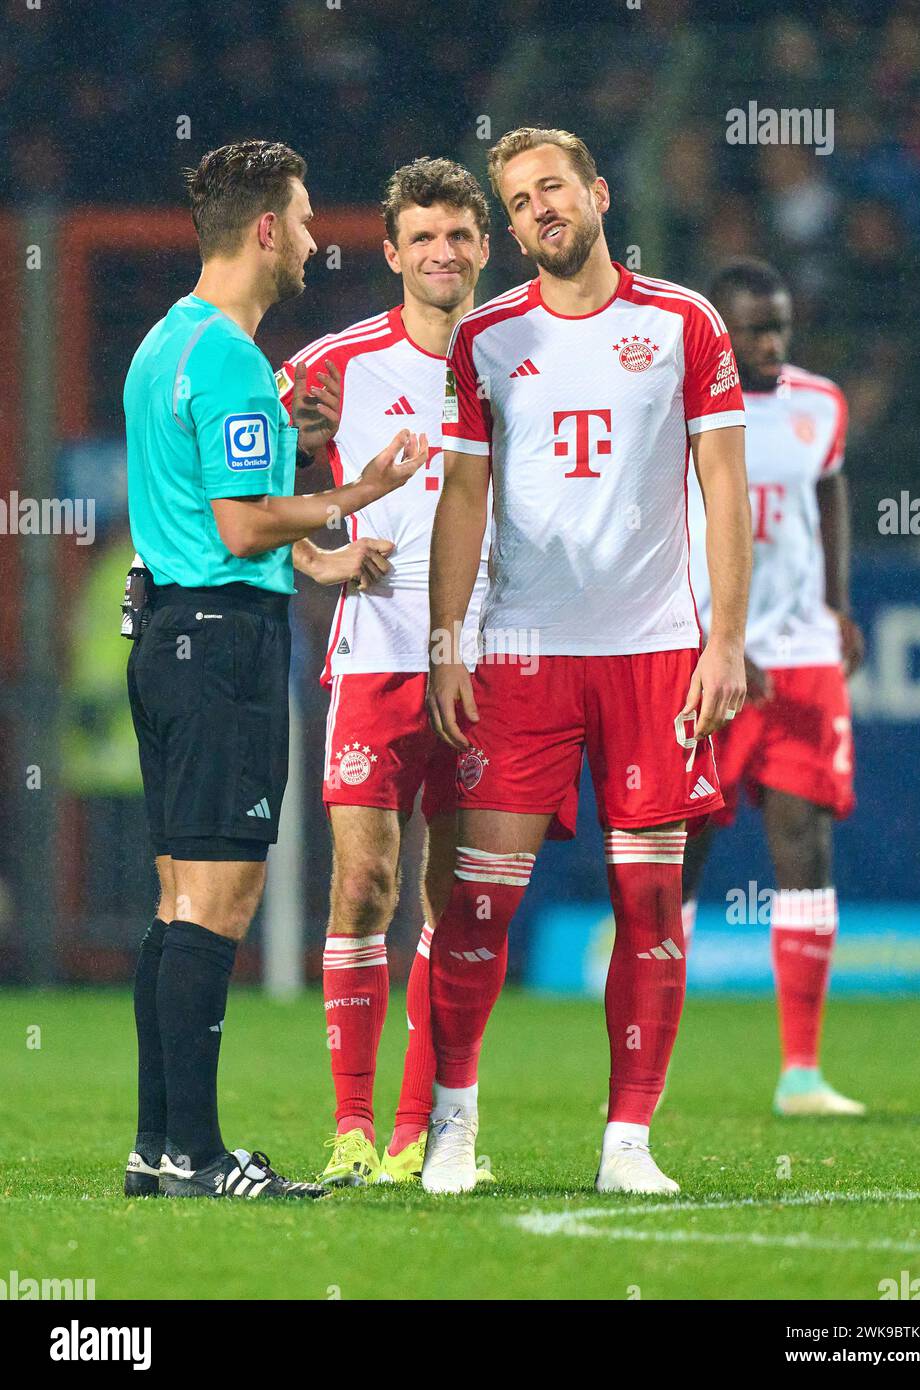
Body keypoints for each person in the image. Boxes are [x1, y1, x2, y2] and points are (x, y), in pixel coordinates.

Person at [423, 127, 751, 1195]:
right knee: (477, 901)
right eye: (516, 202)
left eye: (550, 188)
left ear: (599, 192)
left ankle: (627, 1144)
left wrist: (726, 640)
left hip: (655, 653)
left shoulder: (683, 323)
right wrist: (447, 639)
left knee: (650, 905)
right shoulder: (487, 338)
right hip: (521, 654)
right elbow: (461, 497)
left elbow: (723, 490)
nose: (536, 211)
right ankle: (453, 1121)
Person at [123, 140, 426, 1200]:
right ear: (263, 230)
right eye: (298, 221)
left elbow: (218, 506)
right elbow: (243, 525)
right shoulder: (236, 361)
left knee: (174, 902)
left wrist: (317, 532)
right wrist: (358, 489)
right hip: (222, 649)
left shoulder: (166, 342)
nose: (310, 239)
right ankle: (199, 1154)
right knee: (218, 902)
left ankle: (158, 1146)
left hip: (167, 636)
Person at [277, 157, 494, 1185]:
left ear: (482, 247)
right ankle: (353, 1128)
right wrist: (320, 558)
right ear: (393, 250)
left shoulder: (522, 360)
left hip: (496, 665)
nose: (442, 254)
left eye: (459, 235)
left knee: (454, 904)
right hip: (375, 662)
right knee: (362, 884)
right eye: (424, 237)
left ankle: (424, 1132)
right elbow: (237, 483)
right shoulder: (332, 366)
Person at [683, 257, 866, 1117]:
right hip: (703, 662)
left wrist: (837, 607)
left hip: (799, 657)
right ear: (717, 326)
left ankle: (801, 1071)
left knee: (805, 847)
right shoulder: (677, 406)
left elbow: (829, 494)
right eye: (754, 326)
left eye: (780, 325)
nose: (770, 342)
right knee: (678, 856)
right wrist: (716, 635)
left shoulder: (817, 404)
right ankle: (652, 1054)